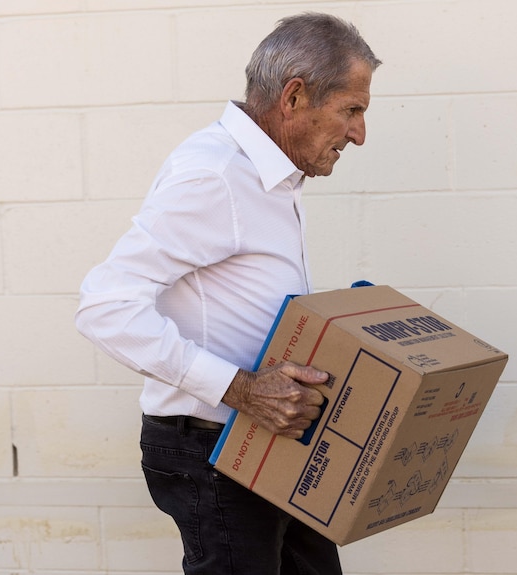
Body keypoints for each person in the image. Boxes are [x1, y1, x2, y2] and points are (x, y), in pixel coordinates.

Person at [75, 12, 381, 574]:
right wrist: (241, 389)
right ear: (294, 97)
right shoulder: (215, 174)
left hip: (270, 444)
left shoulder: (272, 175)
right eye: (352, 110)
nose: (359, 133)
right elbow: (105, 306)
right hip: (212, 452)